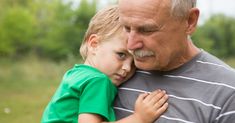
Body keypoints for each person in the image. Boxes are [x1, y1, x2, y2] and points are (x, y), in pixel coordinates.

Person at [41, 5, 168, 123]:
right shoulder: (97, 81)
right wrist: (139, 118)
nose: (127, 68)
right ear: (94, 44)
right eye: (121, 55)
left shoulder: (76, 73)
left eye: (134, 62)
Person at [114, 0, 235, 123]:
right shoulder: (112, 69)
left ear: (190, 21)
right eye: (126, 28)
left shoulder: (228, 92)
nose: (131, 45)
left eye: (147, 30)